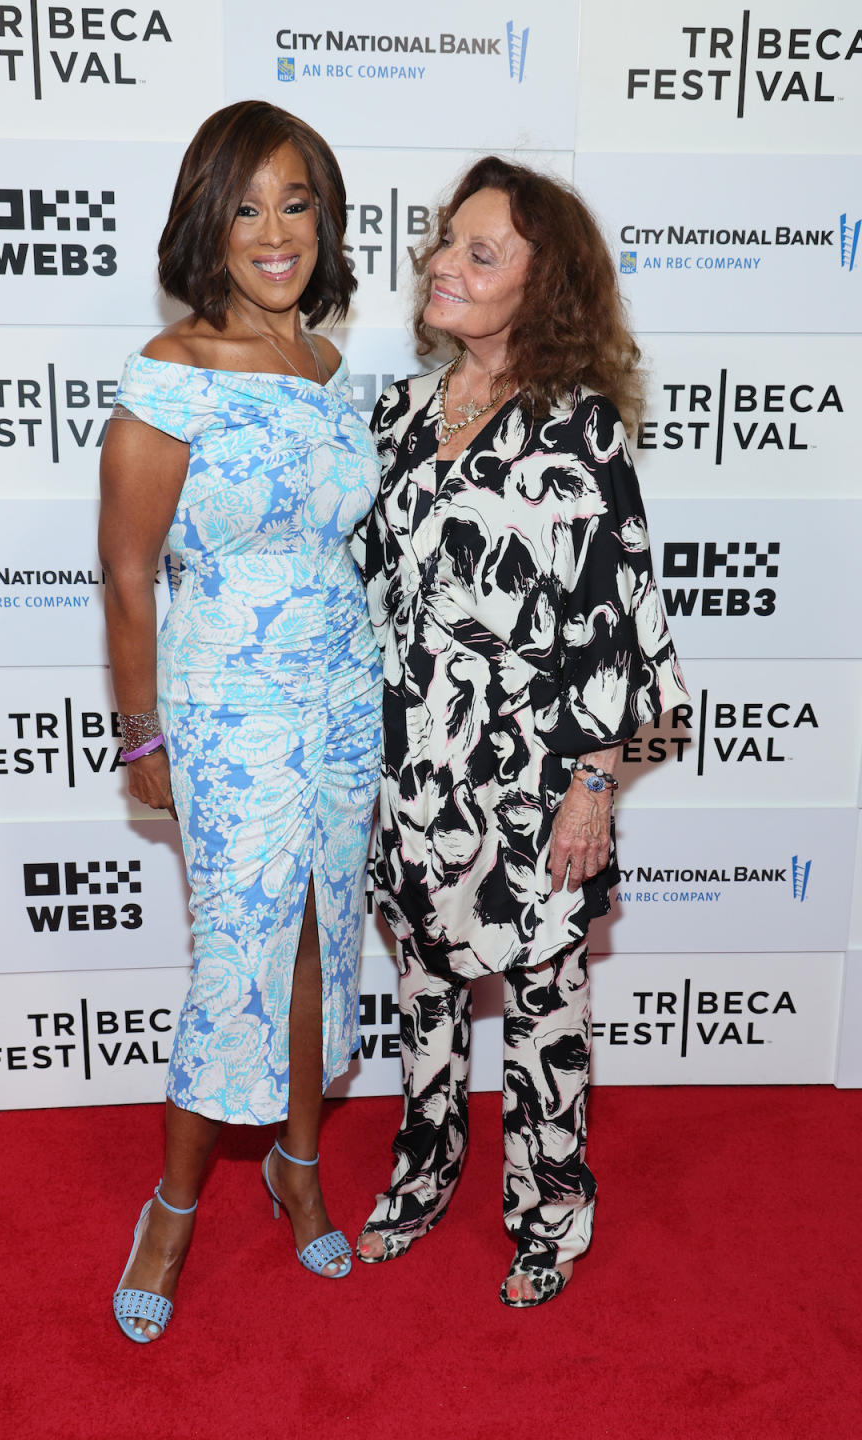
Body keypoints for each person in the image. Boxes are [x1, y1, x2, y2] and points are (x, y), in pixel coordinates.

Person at [351, 156, 689, 1307]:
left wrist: (594, 789)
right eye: (447, 241)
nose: (444, 262)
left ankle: (552, 1207)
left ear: (543, 290)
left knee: (547, 1007)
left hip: (536, 779)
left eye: (480, 252)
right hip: (409, 770)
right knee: (424, 993)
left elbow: (612, 618)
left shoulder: (581, 430)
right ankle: (423, 1172)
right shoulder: (394, 412)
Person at [99, 100, 382, 1342]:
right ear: (208, 228)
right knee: (238, 954)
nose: (277, 233)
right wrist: (143, 735)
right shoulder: (169, 379)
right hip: (229, 700)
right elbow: (125, 573)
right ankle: (173, 1205)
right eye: (249, 207)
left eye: (298, 202)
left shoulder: (331, 369)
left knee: (328, 929)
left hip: (343, 687)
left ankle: (299, 1167)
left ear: (324, 217)